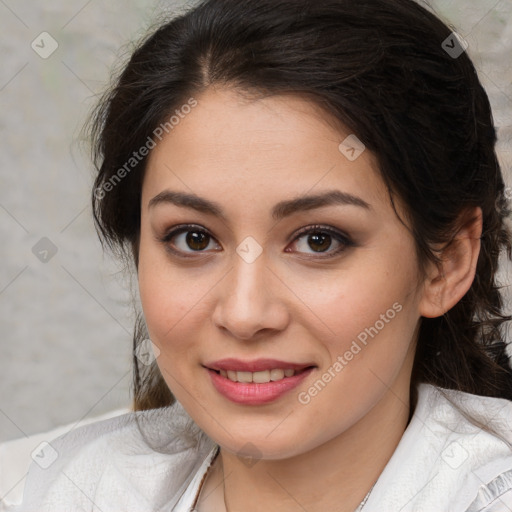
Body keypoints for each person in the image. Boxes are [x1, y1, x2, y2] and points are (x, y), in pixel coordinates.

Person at [5, 0, 512, 510]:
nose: (245, 314)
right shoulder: (64, 488)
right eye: (193, 238)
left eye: (319, 240)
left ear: (447, 262)